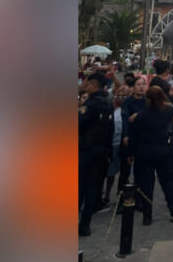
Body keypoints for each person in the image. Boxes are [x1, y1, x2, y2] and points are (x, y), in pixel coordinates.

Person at [127, 86, 173, 224]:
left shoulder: (141, 116)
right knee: (168, 183)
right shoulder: (168, 111)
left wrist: (130, 153)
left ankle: (147, 216)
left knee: (146, 185)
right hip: (163, 151)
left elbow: (134, 136)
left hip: (145, 152)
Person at [78, 71, 114, 236]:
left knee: (80, 185)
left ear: (94, 85)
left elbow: (79, 124)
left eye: (89, 84)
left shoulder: (91, 104)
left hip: (86, 149)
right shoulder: (108, 103)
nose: (86, 87)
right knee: (92, 186)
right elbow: (111, 129)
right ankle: (86, 223)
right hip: (101, 150)